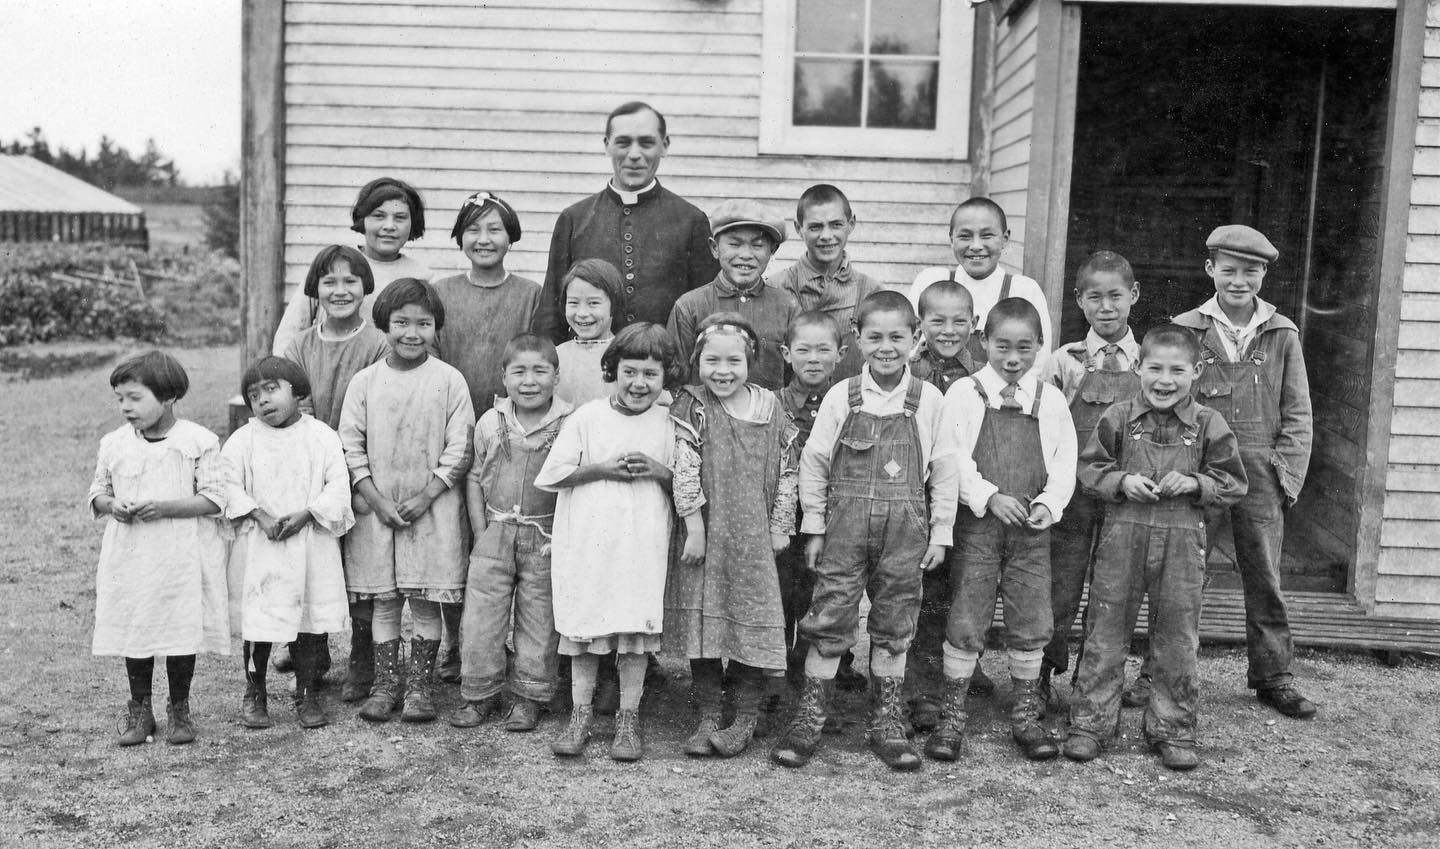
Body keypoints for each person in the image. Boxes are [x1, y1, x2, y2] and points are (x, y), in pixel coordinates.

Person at [772, 291, 960, 772]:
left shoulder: (929, 399)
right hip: (844, 529)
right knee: (830, 615)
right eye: (875, 337)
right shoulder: (843, 395)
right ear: (857, 338)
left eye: (897, 337)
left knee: (895, 622)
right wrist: (814, 526)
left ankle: (886, 722)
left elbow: (944, 468)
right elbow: (815, 462)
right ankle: (810, 718)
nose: (886, 347)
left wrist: (941, 531)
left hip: (906, 530)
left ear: (915, 338)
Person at [1064, 325, 1247, 771]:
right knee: (1105, 632)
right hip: (1122, 538)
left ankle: (1172, 729)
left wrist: (1197, 483)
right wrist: (1121, 481)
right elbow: (1089, 469)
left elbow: (1233, 481)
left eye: (1177, 371)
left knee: (1176, 637)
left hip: (1182, 541)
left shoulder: (1209, 423)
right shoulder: (1118, 417)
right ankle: (1090, 725)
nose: (1165, 381)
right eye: (1155, 369)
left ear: (1196, 372)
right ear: (1137, 367)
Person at [1172, 225, 1316, 720]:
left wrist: (1285, 476)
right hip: (1200, 471)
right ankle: (1163, 672)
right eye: (1228, 270)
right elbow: (1167, 402)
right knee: (1184, 574)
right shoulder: (1186, 329)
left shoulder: (1281, 333)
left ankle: (1274, 676)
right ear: (1210, 269)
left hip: (1259, 470)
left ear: (1264, 274)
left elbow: (1298, 412)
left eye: (1250, 271)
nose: (1239, 281)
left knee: (1265, 576)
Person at [535, 323, 689, 762]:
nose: (639, 383)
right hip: (590, 542)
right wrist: (601, 468)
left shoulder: (669, 423)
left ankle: (628, 717)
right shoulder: (587, 418)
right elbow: (552, 475)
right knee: (586, 626)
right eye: (629, 372)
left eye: (651, 374)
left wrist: (659, 470)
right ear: (612, 370)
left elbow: (688, 484)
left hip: (642, 544)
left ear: (665, 377)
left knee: (634, 628)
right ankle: (580, 715)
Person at [934, 298, 1076, 763]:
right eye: (1002, 347)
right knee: (967, 613)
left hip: (1030, 529)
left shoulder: (1050, 400)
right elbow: (952, 457)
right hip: (979, 527)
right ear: (984, 342)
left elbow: (1065, 462)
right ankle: (952, 715)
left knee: (1031, 617)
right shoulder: (965, 392)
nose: (1013, 358)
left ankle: (1025, 714)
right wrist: (988, 496)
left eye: (1024, 348)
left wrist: (1049, 504)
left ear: (1040, 346)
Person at [338, 279, 475, 724]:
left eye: (423, 324)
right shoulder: (365, 382)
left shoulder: (449, 380)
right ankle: (386, 684)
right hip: (377, 511)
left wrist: (427, 495)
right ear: (385, 324)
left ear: (436, 328)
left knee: (424, 600)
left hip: (432, 510)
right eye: (401, 323)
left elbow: (460, 445)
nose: (412, 333)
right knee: (384, 602)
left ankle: (420, 687)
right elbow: (350, 444)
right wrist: (374, 498)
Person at [666, 313, 799, 759]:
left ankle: (744, 718)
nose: (722, 371)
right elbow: (685, 470)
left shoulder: (770, 407)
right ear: (697, 361)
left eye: (733, 362)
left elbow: (787, 469)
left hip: (753, 538)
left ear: (750, 361)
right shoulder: (693, 406)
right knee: (703, 626)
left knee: (750, 624)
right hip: (706, 534)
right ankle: (708, 714)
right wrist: (694, 528)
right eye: (712, 361)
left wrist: (780, 525)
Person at [88, 351, 229, 746]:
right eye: (120, 399)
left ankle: (179, 707)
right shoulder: (114, 444)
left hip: (180, 555)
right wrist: (112, 505)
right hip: (132, 554)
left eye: (135, 398)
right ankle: (140, 709)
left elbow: (215, 499)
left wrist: (166, 508)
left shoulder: (198, 441)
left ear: (168, 397)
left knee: (180, 627)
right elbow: (98, 492)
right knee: (138, 625)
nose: (125, 407)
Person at [281, 245, 390, 702]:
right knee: (312, 566)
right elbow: (298, 408)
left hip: (363, 467)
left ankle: (363, 661)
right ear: (315, 290)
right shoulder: (299, 345)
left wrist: (357, 475)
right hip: (313, 469)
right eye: (329, 282)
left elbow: (378, 410)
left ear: (366, 288)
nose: (340, 291)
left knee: (362, 571)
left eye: (350, 281)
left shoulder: (379, 344)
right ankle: (312, 656)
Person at [451, 334, 575, 732]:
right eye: (519, 372)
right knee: (481, 619)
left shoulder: (569, 424)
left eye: (540, 371)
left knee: (539, 619)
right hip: (496, 531)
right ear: (504, 377)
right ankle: (479, 694)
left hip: (545, 536)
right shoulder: (492, 422)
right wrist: (481, 530)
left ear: (557, 376)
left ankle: (529, 697)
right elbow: (474, 477)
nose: (530, 381)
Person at [222, 357, 353, 730]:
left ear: (298, 392)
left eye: (271, 389)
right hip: (261, 545)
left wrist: (308, 514)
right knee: (259, 622)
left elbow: (337, 486)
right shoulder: (243, 440)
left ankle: (308, 693)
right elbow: (226, 484)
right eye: (253, 395)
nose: (263, 400)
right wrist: (259, 515)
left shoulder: (321, 436)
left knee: (307, 623)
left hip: (308, 543)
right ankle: (255, 691)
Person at [1039, 251, 1141, 712]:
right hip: (1073, 494)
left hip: (1125, 495)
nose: (1106, 307)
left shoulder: (1149, 362)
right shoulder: (1065, 361)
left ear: (1133, 296)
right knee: (1060, 585)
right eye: (1094, 297)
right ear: (1079, 300)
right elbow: (1043, 426)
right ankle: (1040, 675)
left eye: (1115, 296)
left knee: (1111, 588)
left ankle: (1093, 682)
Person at [532, 101, 718, 342]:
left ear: (664, 146)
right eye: (623, 142)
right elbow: (550, 313)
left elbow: (705, 310)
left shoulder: (691, 220)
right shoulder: (574, 219)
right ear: (607, 145)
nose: (634, 155)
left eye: (646, 143)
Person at [769, 311, 866, 736]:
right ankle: (771, 689)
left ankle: (816, 688)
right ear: (786, 353)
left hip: (831, 520)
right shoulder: (772, 404)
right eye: (803, 350)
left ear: (841, 354)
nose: (813, 359)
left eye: (823, 350)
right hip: (780, 522)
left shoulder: (847, 401)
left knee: (822, 599)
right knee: (779, 599)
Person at [906, 279, 980, 733]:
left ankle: (963, 676)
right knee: (926, 597)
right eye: (937, 321)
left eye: (959, 321)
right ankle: (921, 693)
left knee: (967, 590)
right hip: (925, 499)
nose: (948, 330)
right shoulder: (910, 372)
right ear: (921, 324)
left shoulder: (984, 374)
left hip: (972, 500)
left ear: (975, 323)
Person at [272, 177, 432, 355]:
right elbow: (289, 332)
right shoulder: (333, 264)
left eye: (400, 218)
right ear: (363, 219)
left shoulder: (422, 277)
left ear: (413, 222)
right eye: (378, 216)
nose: (389, 226)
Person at [667, 199, 800, 391]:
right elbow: (676, 381)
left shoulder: (788, 307)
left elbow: (795, 379)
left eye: (757, 245)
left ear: (772, 250)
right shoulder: (689, 307)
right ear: (714, 248)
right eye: (735, 244)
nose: (746, 255)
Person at [909, 197, 1052, 372]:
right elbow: (909, 348)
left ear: (1005, 238)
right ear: (951, 239)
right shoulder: (931, 281)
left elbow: (1038, 363)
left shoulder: (1024, 290)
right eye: (965, 236)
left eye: (986, 236)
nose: (976, 246)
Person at [433, 190, 542, 417]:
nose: (483, 240)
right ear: (460, 237)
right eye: (473, 230)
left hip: (514, 417)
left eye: (494, 230)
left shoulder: (531, 294)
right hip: (449, 414)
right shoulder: (440, 292)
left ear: (510, 236)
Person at [772, 184, 883, 381]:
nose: (826, 236)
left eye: (836, 225)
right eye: (815, 227)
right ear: (798, 228)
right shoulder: (776, 287)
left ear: (851, 223)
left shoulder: (871, 293)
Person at [555, 258, 625, 406]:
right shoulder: (556, 355)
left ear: (614, 304)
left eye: (593, 303)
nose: (582, 313)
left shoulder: (627, 354)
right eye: (573, 303)